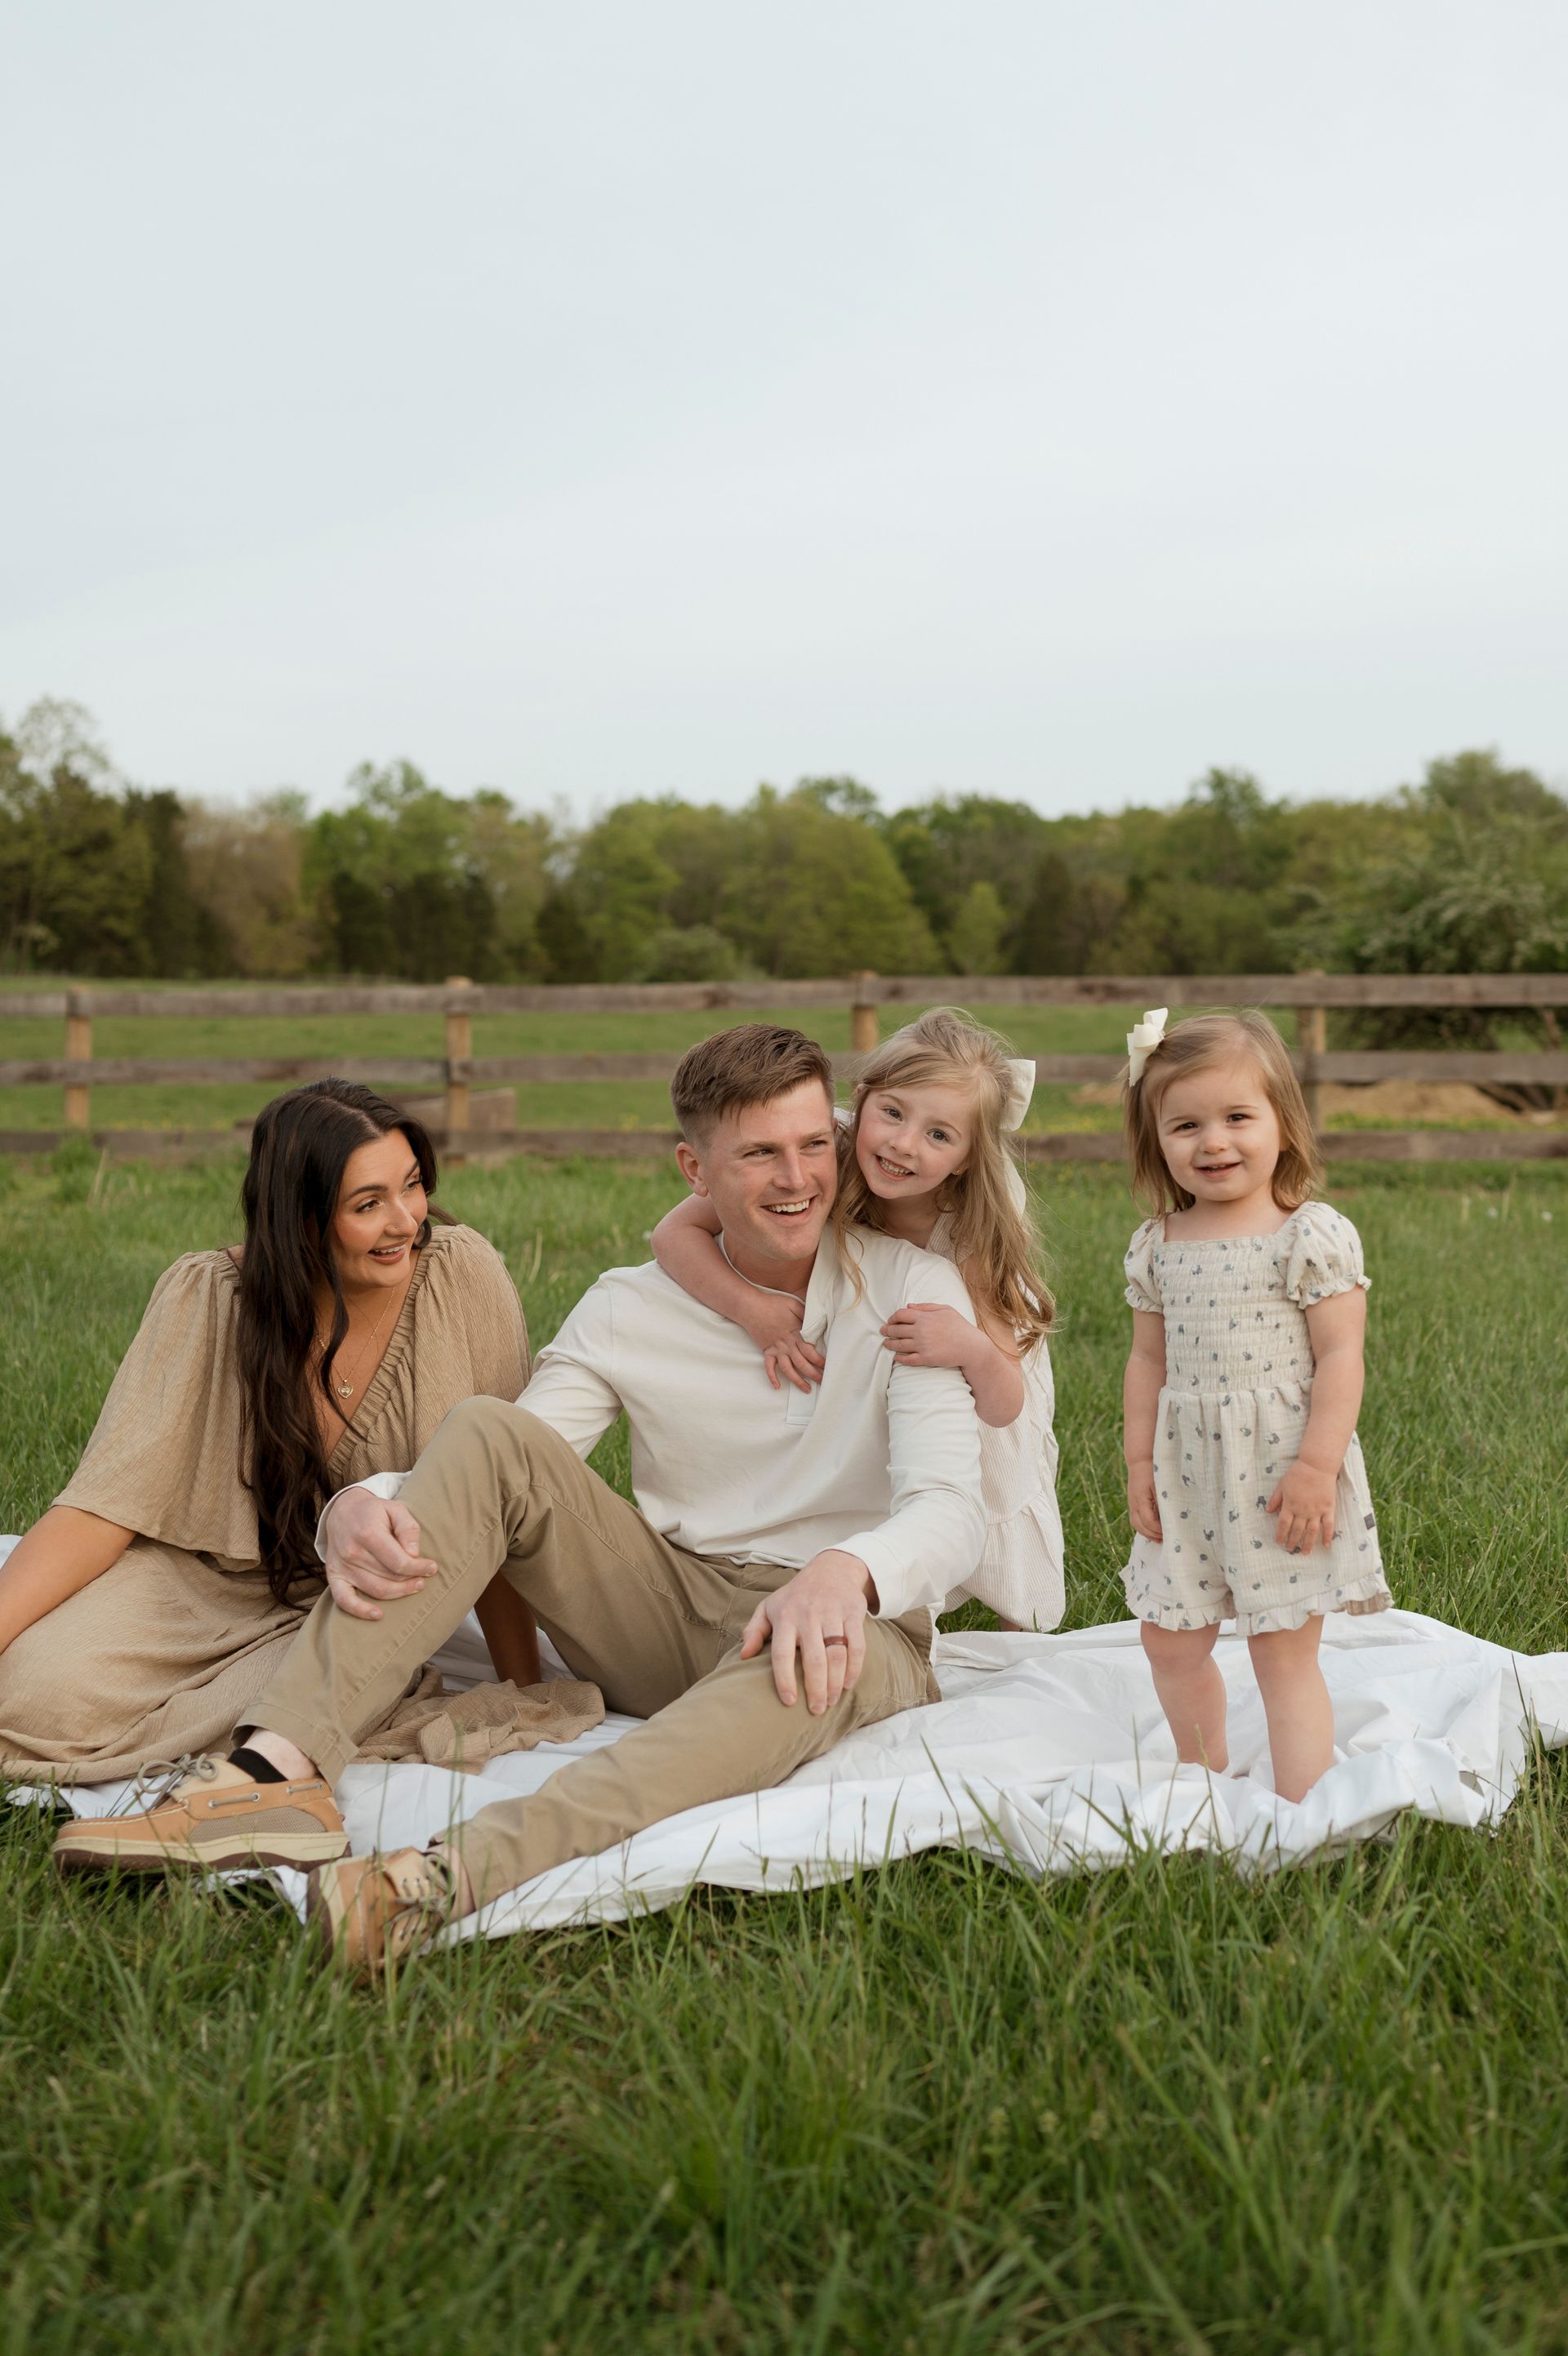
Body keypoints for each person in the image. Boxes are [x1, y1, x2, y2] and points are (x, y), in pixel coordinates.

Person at [54, 1025, 986, 1976]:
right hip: (672, 1609)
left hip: (855, 1626)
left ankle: (433, 1882)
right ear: (693, 1168)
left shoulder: (911, 1288)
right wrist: (356, 1506)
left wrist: (848, 1570)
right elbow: (501, 1459)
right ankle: (271, 1775)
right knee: (492, 1428)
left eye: (811, 1144)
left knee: (807, 1658)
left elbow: (952, 1508)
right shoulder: (632, 1305)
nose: (797, 1177)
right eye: (758, 1152)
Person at [4, 1079, 538, 1787]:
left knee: (295, 1706)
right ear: (301, 1218)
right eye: (367, 1204)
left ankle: (279, 1731)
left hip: (365, 1600)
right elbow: (105, 1505)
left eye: (412, 1185)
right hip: (206, 1584)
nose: (407, 1220)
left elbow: (503, 1500)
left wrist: (523, 1689)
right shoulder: (208, 1297)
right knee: (35, 1701)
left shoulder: (461, 1276)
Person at [650, 1005, 1062, 1631]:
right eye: (893, 1113)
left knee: (995, 1472)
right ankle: (882, 1577)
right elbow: (673, 1233)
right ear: (862, 1099)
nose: (902, 1143)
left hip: (979, 1348)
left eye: (939, 1135)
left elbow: (1007, 1404)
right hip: (869, 1325)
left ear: (966, 1159)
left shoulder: (971, 1221)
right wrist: (755, 1310)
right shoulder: (822, 1151)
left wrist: (971, 1347)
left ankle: (1020, 1632)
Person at [1118, 1007, 1392, 1801]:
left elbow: (1343, 1355)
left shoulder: (1307, 1233)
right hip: (1188, 1473)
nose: (1213, 1141)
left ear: (1283, 1121)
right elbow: (1147, 1357)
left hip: (1282, 1473)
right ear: (1155, 1137)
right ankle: (1200, 1779)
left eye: (1238, 1116)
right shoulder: (1158, 1242)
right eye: (1185, 1124)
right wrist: (1139, 1459)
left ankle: (1305, 1804)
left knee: (1282, 1651)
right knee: (1168, 1639)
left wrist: (1318, 1463)